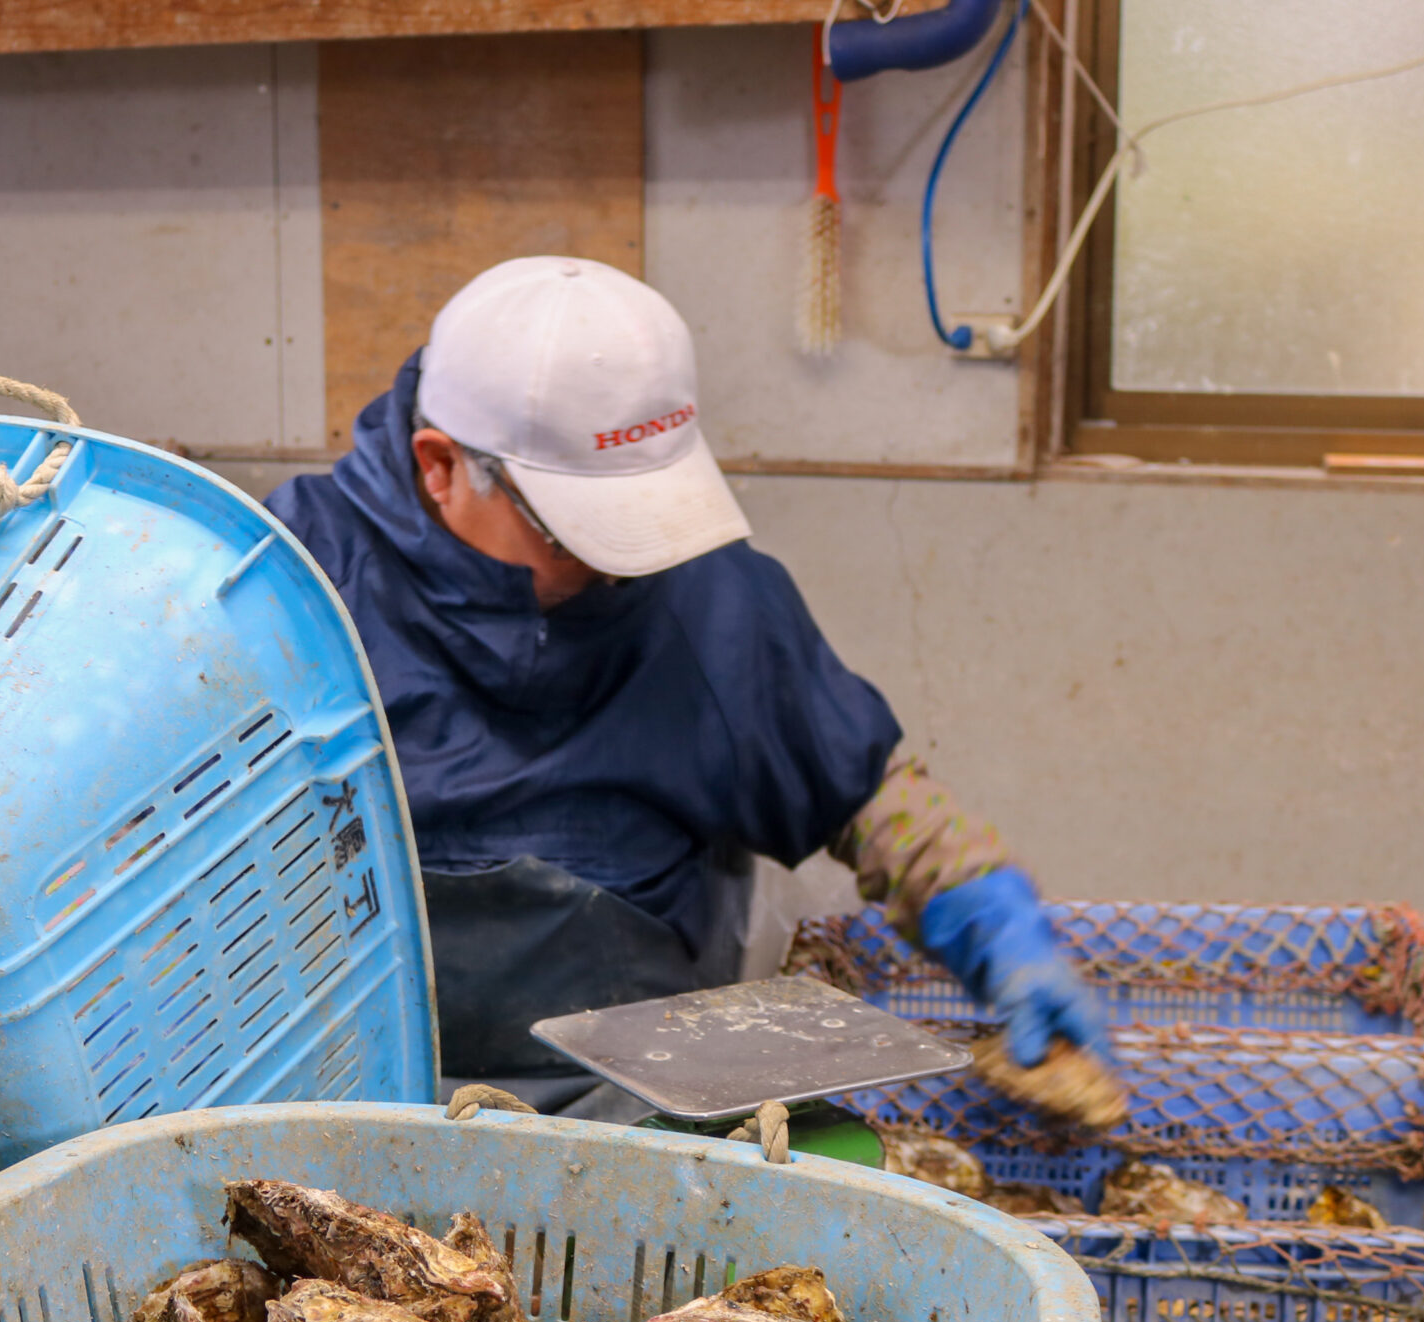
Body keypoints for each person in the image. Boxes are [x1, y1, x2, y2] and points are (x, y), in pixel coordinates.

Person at [265, 255, 1109, 1111]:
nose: (614, 563)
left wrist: (993, 920)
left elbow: (866, 792)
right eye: (574, 533)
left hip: (637, 1107)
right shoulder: (284, 590)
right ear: (441, 465)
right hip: (352, 1094)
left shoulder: (706, 594)